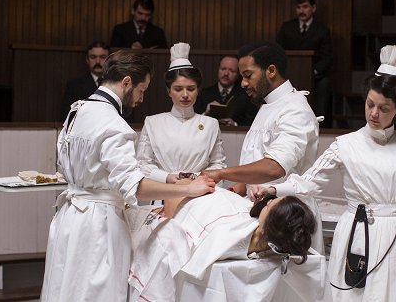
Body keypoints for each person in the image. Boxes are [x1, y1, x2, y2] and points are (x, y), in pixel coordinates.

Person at [256, 45, 396, 301]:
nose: (374, 113)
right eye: (370, 104)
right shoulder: (346, 144)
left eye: (384, 108)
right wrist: (274, 189)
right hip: (361, 235)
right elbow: (309, 183)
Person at [41, 50, 215, 302]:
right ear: (126, 82)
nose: (142, 98)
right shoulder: (113, 124)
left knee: (66, 289)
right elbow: (137, 186)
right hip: (98, 223)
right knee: (95, 292)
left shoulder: (76, 111)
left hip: (69, 218)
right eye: (141, 89)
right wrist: (188, 189)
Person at [201, 41, 324, 254]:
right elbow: (258, 157)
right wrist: (236, 187)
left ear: (271, 71)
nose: (243, 84)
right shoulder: (267, 105)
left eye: (248, 75)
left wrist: (222, 172)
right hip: (264, 211)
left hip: (290, 218)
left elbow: (274, 167)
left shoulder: (296, 110)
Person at [128, 187, 319, 302]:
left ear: (267, 229)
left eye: (270, 205)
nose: (266, 202)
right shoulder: (235, 224)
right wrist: (169, 216)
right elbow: (180, 192)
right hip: (188, 203)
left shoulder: (234, 233)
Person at [136, 42, 226, 184]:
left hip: (200, 193)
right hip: (163, 192)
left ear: (198, 90)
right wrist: (167, 177)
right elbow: (142, 164)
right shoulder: (153, 122)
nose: (185, 95)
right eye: (178, 89)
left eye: (191, 89)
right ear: (168, 91)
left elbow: (218, 164)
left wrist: (198, 178)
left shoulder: (210, 124)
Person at [276, 0, 333, 127]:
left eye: (305, 7)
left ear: (313, 8)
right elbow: (277, 51)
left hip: (315, 76)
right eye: (299, 7)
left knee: (324, 84)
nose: (302, 10)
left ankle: (320, 124)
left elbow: (327, 57)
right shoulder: (287, 28)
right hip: (289, 74)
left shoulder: (322, 30)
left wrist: (313, 72)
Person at [194, 55, 259, 126]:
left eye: (232, 71)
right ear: (218, 70)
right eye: (223, 69)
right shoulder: (204, 94)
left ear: (238, 74)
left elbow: (253, 123)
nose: (226, 74)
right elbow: (193, 121)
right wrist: (206, 113)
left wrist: (234, 124)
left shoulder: (246, 95)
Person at [60, 41, 109, 120]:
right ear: (87, 60)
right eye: (93, 57)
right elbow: (67, 116)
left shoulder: (118, 85)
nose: (97, 61)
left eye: (102, 57)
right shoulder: (74, 86)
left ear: (109, 60)